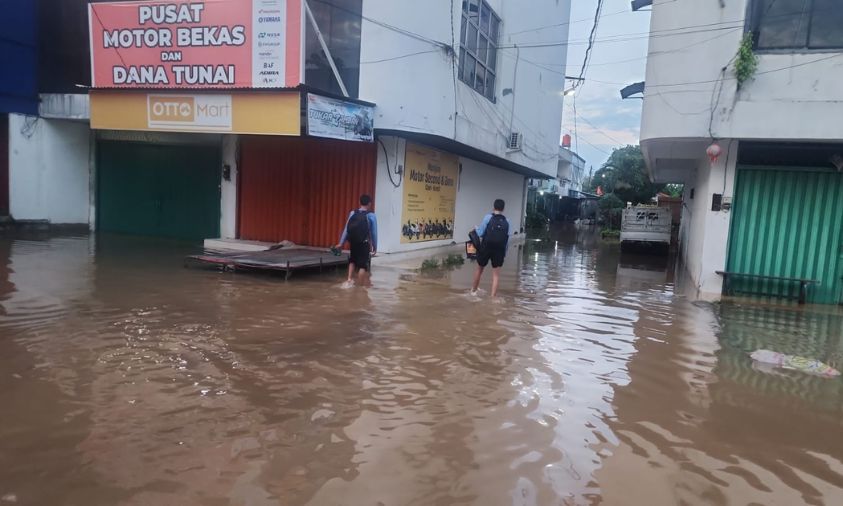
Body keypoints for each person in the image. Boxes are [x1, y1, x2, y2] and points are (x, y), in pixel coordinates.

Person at [471, 199, 512, 297]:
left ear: (493, 207)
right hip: (499, 250)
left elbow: (480, 233)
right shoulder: (507, 221)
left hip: (486, 247)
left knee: (479, 269)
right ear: (503, 209)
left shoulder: (488, 217)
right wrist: (504, 253)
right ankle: (493, 297)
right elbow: (507, 239)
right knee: (496, 275)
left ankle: (473, 291)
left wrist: (476, 228)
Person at [336, 194, 378, 287]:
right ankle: (360, 287)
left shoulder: (352, 213)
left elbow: (346, 229)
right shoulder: (371, 215)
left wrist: (341, 243)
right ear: (370, 204)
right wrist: (375, 246)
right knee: (362, 266)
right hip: (364, 243)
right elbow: (374, 233)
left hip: (353, 242)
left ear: (359, 202)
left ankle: (349, 280)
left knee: (352, 261)